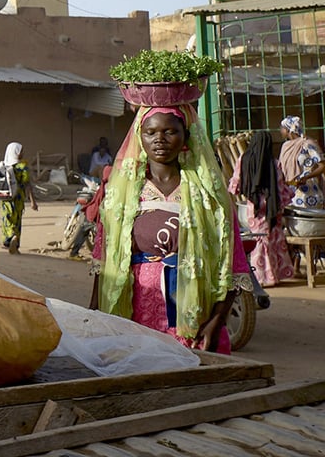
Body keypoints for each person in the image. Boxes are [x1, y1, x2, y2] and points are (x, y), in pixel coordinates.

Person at [92, 105, 251, 353]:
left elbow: (233, 263)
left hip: (195, 316)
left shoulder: (209, 194)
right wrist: (94, 312)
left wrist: (217, 322)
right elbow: (104, 261)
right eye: (151, 132)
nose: (160, 139)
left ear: (186, 136)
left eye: (170, 131)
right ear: (140, 137)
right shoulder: (122, 194)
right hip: (136, 316)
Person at [230, 131, 295, 287]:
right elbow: (280, 188)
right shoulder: (274, 163)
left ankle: (260, 277)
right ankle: (272, 276)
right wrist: (287, 198)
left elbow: (236, 183)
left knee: (257, 239)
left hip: (253, 207)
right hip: (271, 207)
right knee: (271, 239)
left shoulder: (243, 159)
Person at [0, 142, 39, 255]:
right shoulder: (22, 166)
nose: (22, 153)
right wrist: (33, 201)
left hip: (6, 197)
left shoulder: (3, 165)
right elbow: (27, 184)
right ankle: (15, 241)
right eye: (20, 151)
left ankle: (9, 238)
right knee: (17, 220)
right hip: (18, 197)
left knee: (7, 218)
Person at [278, 116, 325, 209]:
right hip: (289, 195)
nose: (280, 130)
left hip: (309, 194)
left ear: (289, 129)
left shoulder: (308, 144)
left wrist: (306, 177)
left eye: (282, 128)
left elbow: (322, 166)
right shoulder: (285, 146)